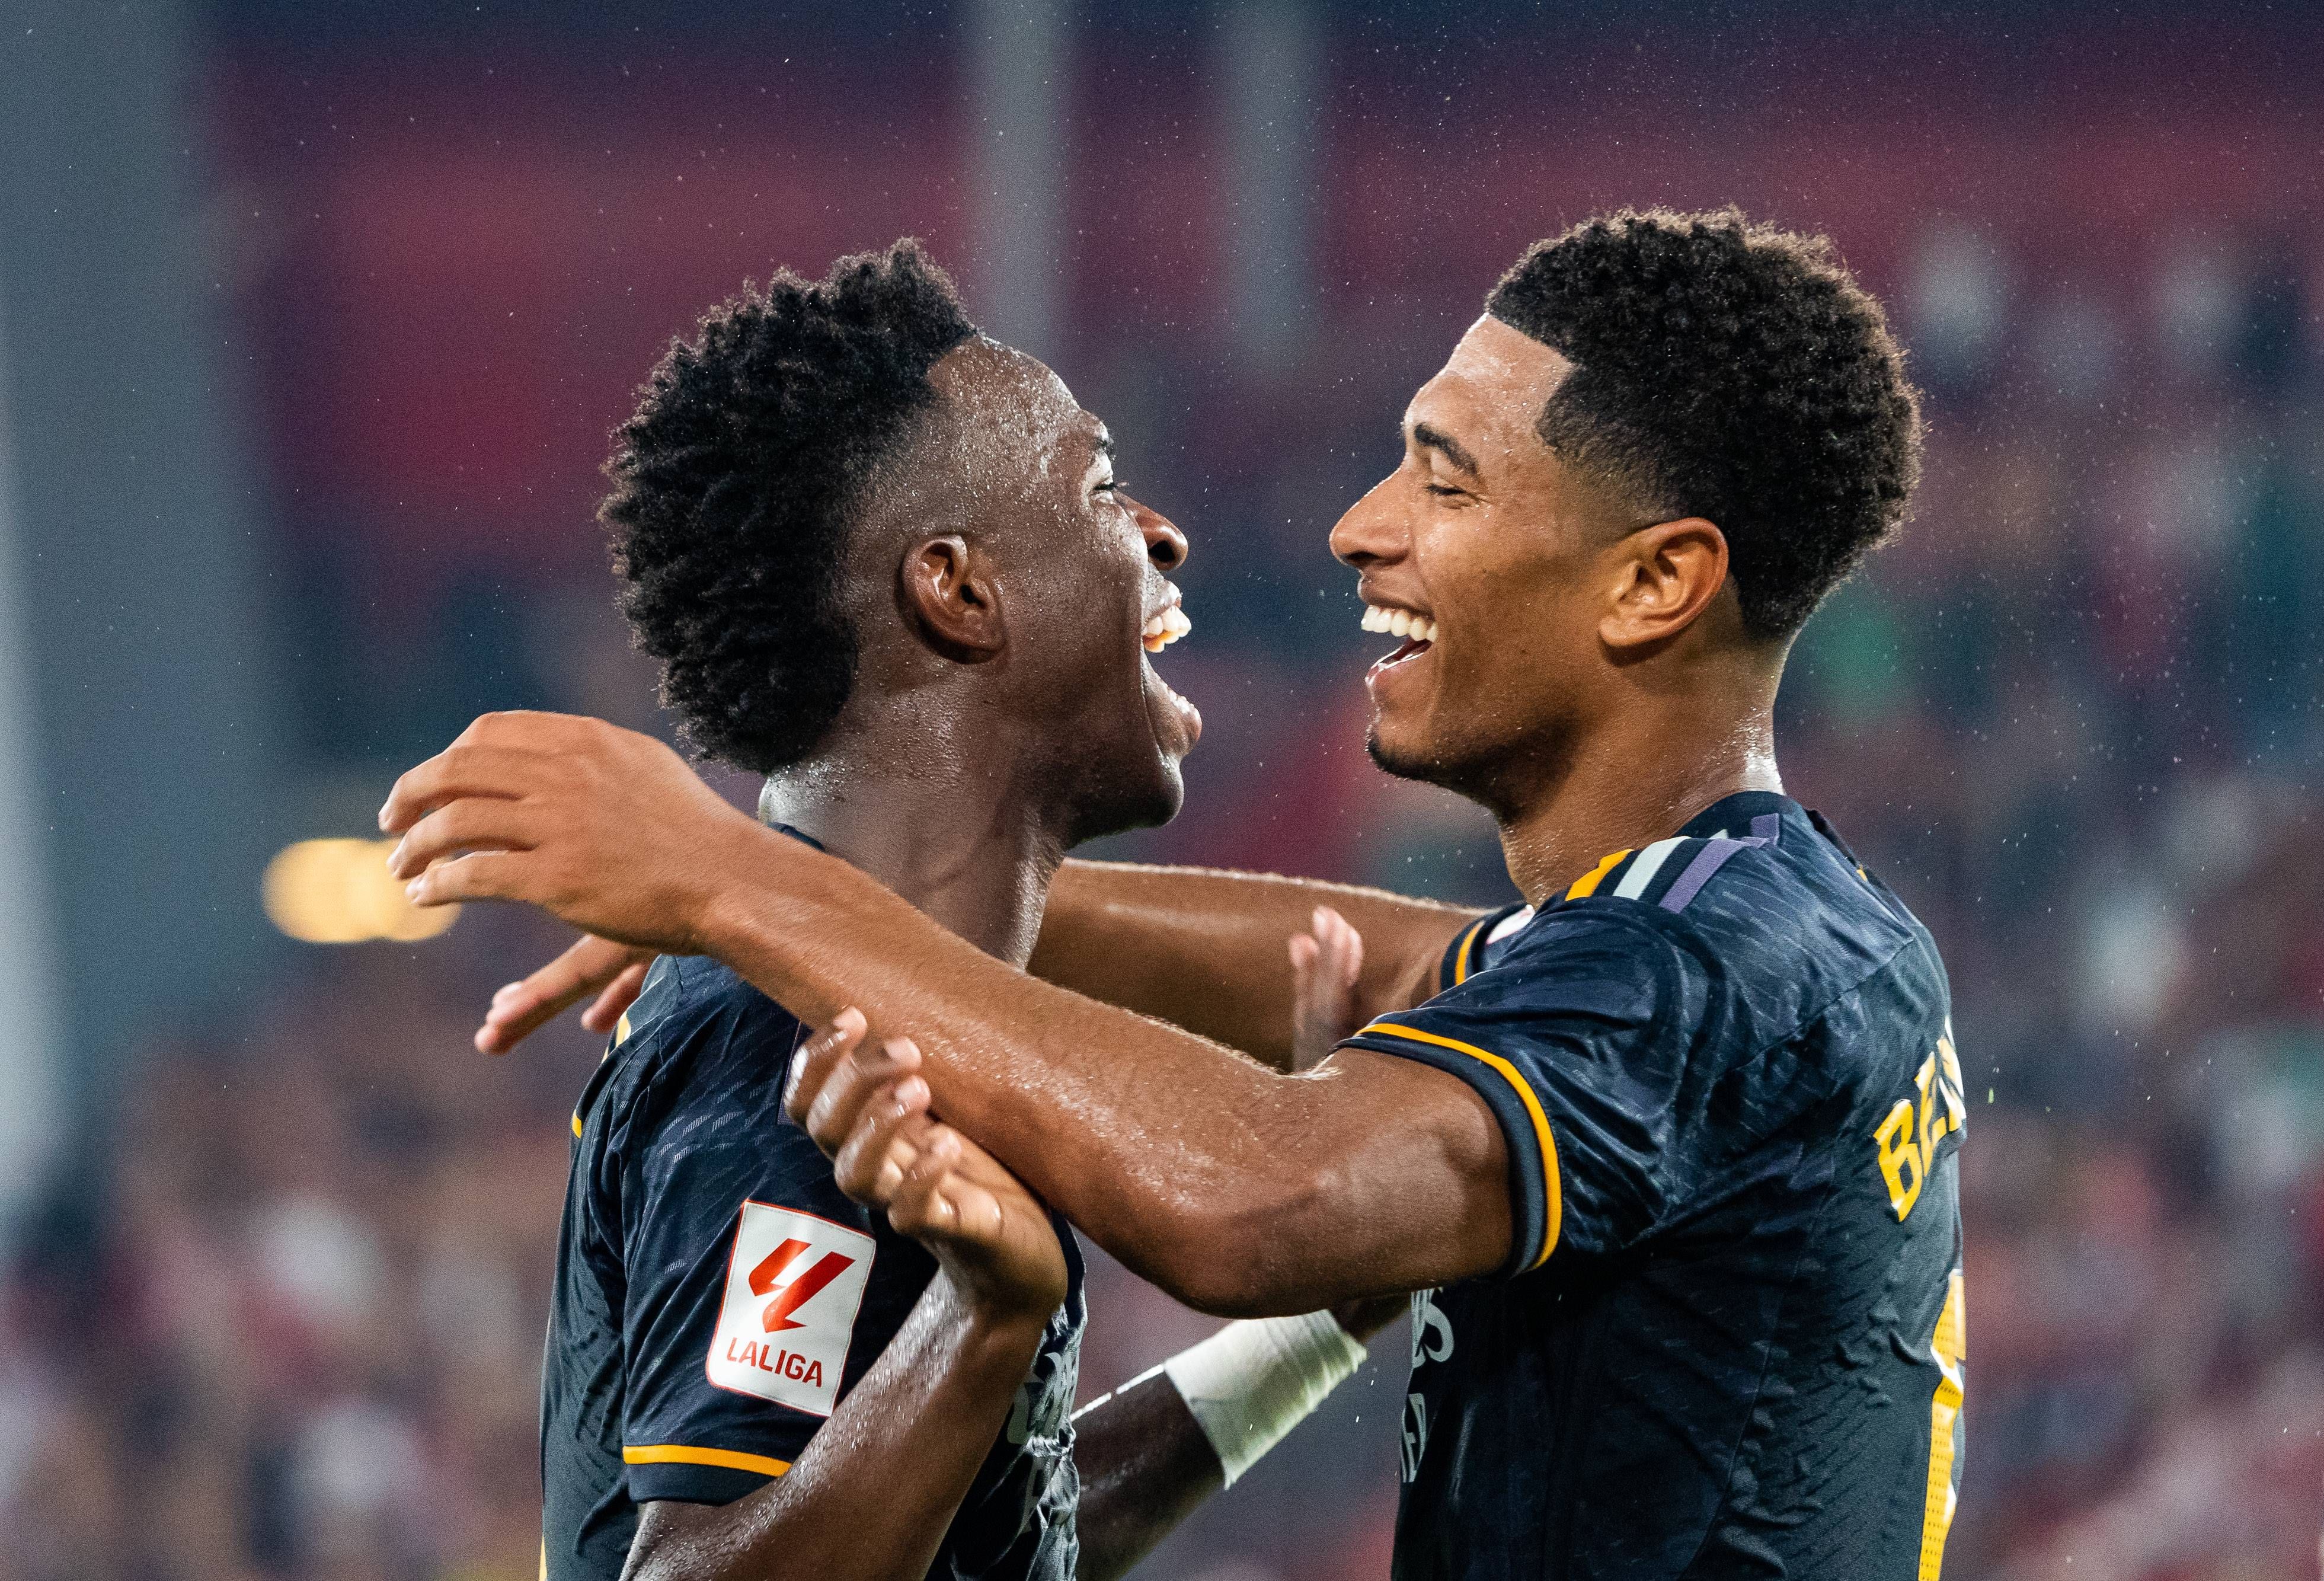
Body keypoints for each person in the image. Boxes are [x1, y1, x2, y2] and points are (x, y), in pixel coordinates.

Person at [387, 209, 1957, 1578]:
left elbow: (1266, 1189)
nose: (1355, 525)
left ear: (1652, 582)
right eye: (1100, 486)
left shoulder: (1718, 968)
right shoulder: (1764, 939)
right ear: (955, 588)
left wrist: (747, 882)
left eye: (1447, 481)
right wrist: (807, 910)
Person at [517, 242, 1387, 1581]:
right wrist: (976, 1329)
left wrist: (1328, 1312)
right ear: (959, 589)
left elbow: (983, 1546)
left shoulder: (909, 1018)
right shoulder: (793, 1047)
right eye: (1098, 484)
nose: (1162, 532)